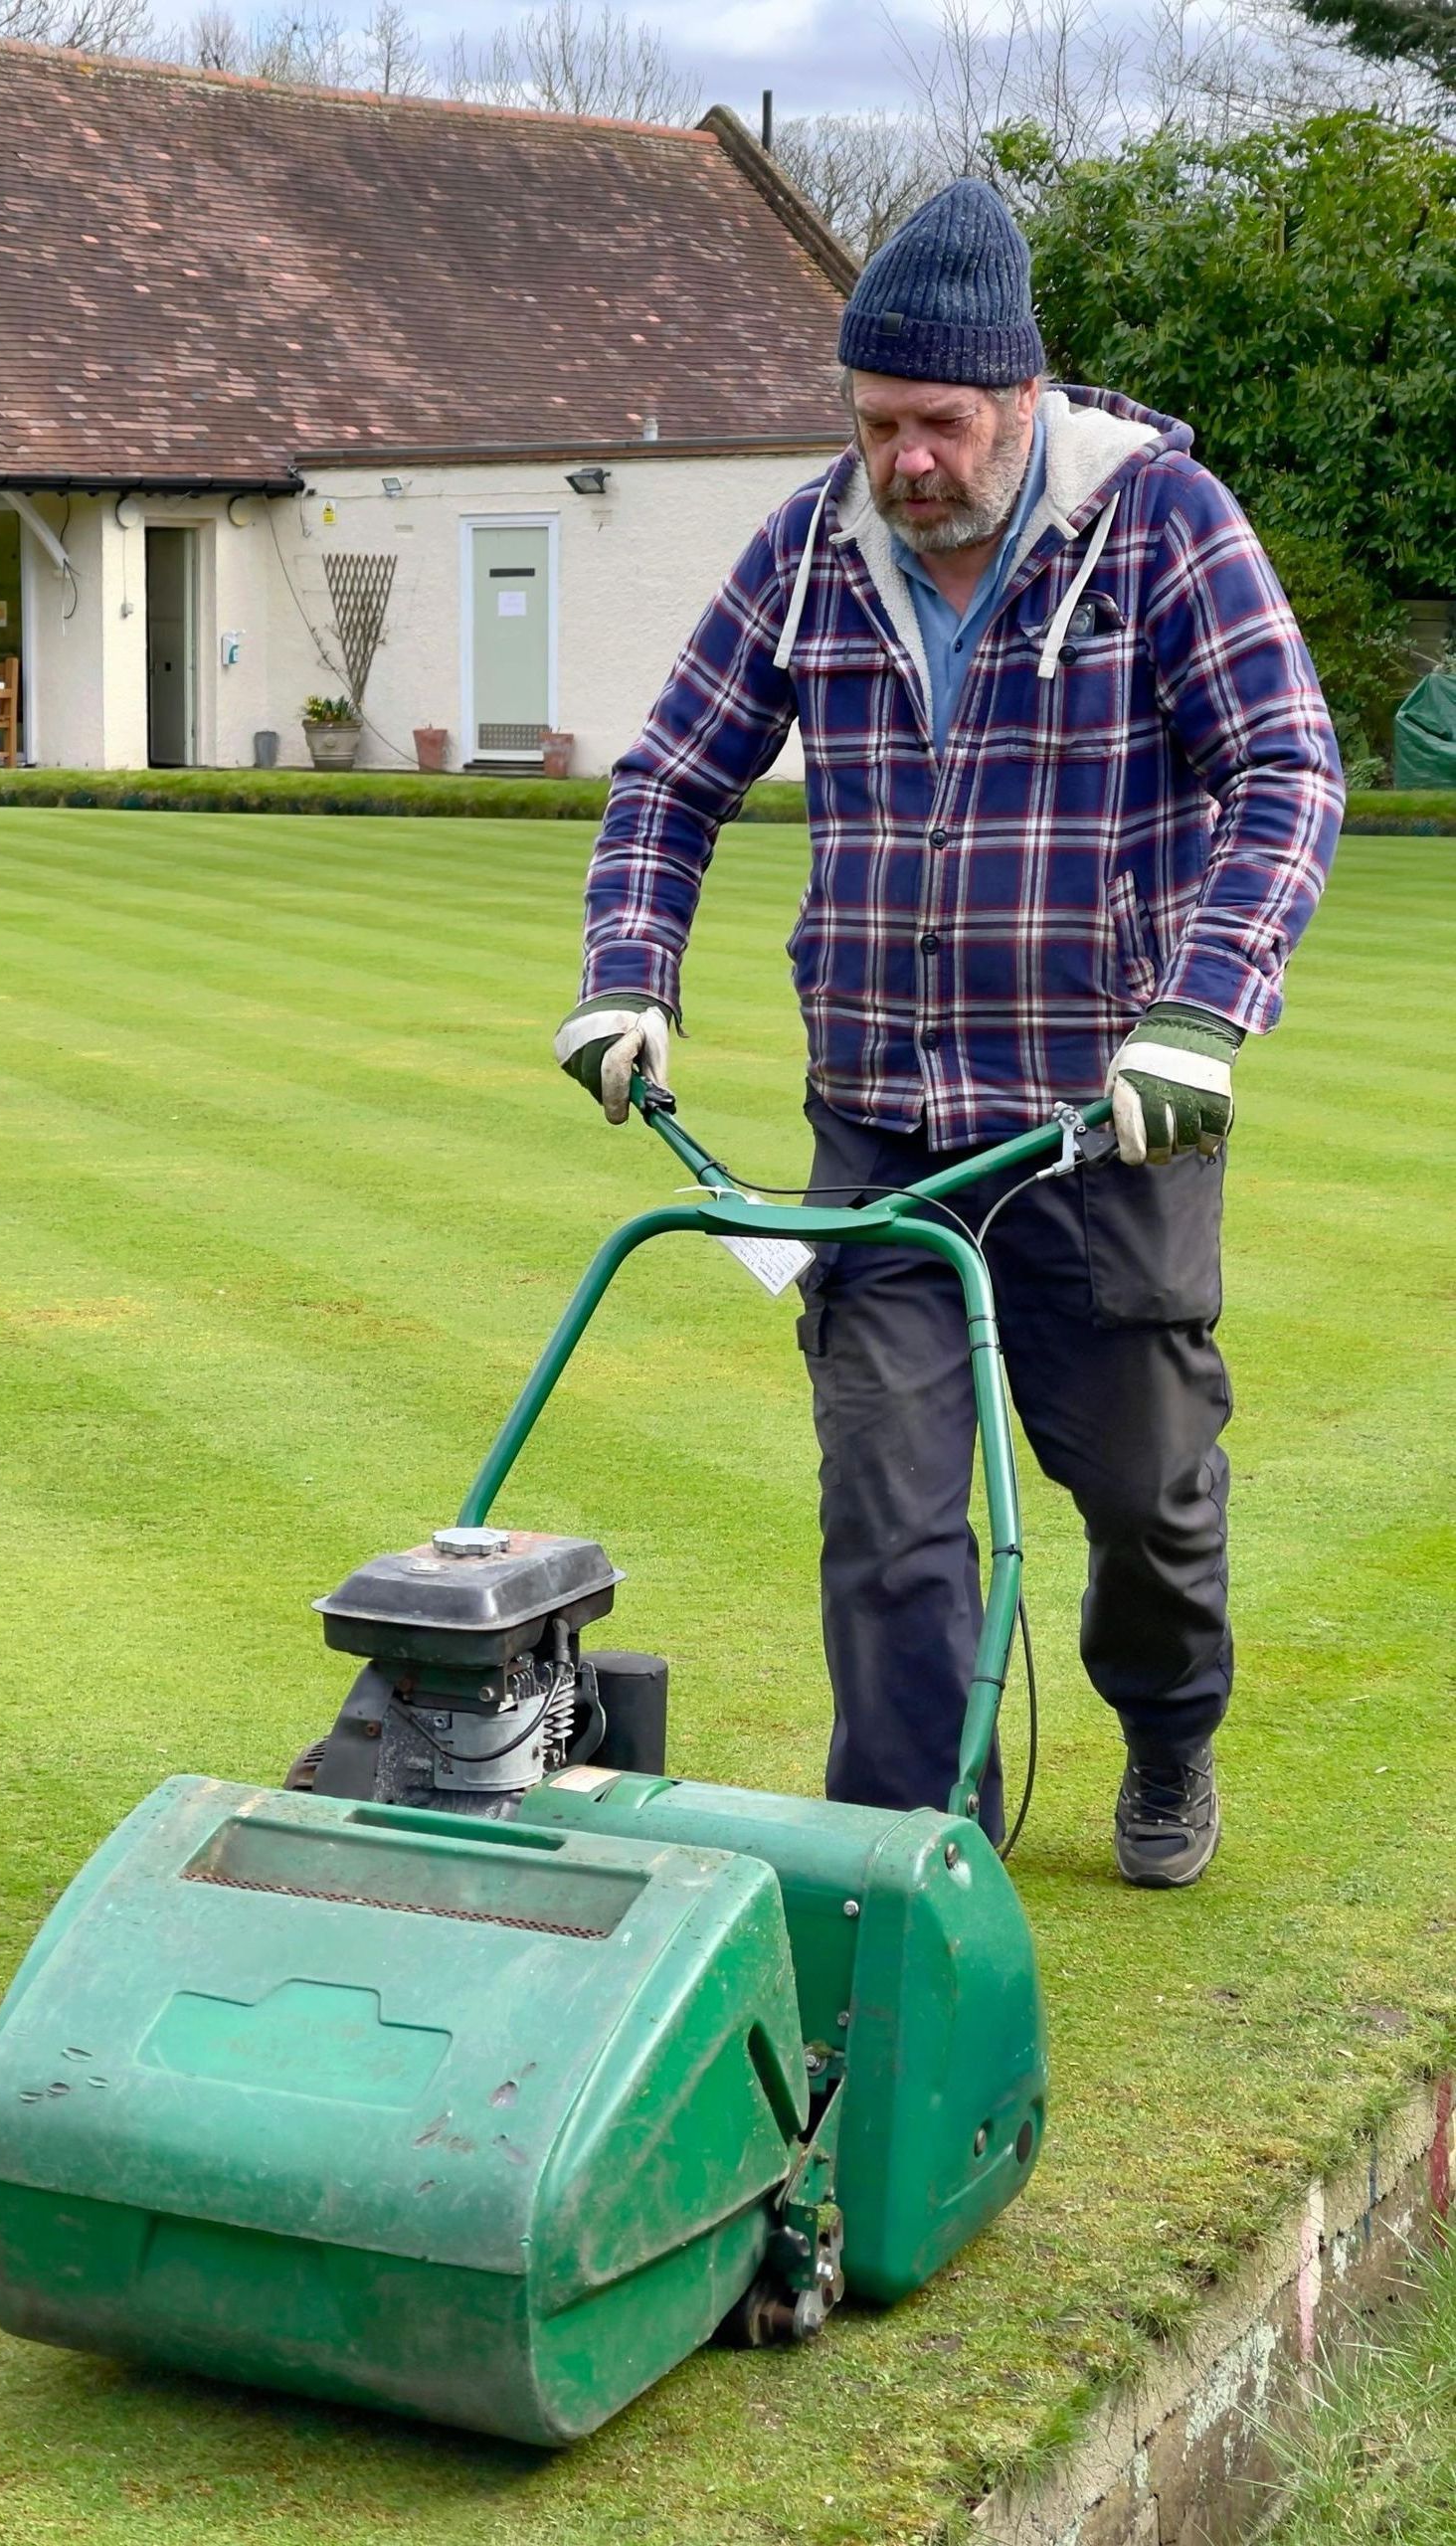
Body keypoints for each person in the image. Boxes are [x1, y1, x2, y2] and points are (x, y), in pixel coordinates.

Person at [555, 179, 1343, 1889]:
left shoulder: (1159, 525)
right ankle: (916, 1871)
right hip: (886, 1136)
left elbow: (1284, 768)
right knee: (890, 1525)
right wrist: (629, 971)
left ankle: (1165, 1726)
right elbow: (672, 774)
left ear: (1021, 398)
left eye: (938, 424)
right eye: (874, 422)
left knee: (1144, 1496)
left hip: (1094, 1131)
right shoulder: (814, 547)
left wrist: (1199, 1015)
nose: (904, 461)